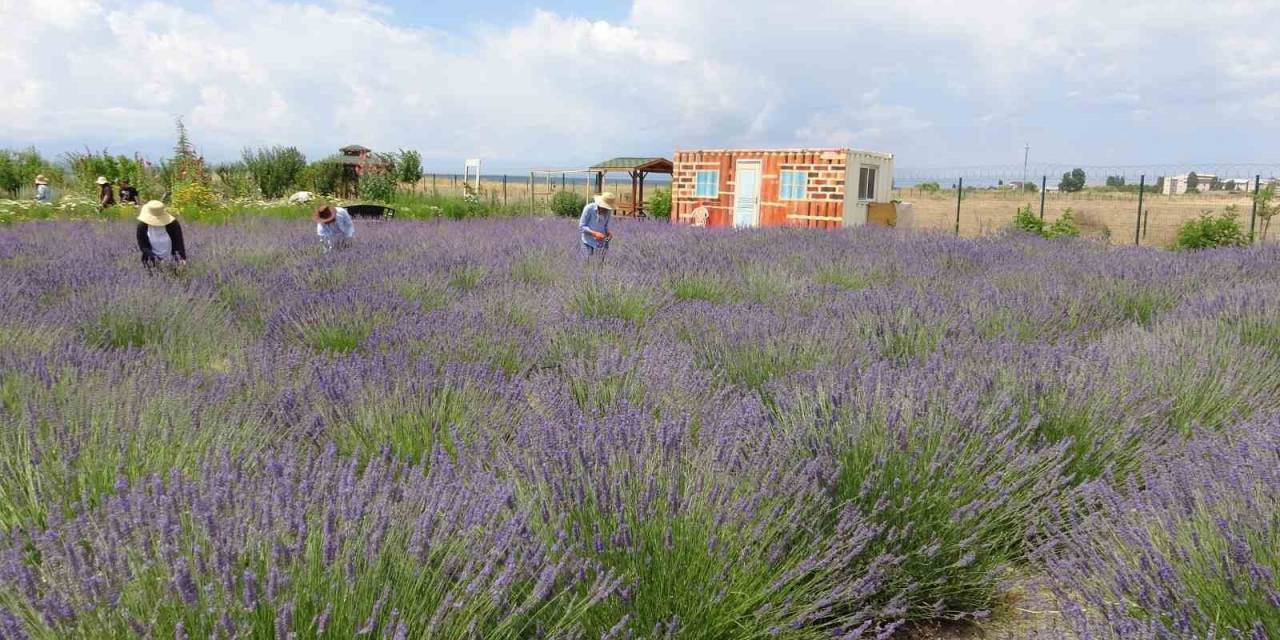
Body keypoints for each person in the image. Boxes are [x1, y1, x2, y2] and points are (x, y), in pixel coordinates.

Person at [136, 200, 187, 269]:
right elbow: (143, 247)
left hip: (172, 261)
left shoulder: (173, 224)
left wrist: (182, 258)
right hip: (151, 263)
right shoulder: (142, 226)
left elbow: (179, 242)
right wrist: (156, 259)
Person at [579, 192, 616, 259]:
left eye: (608, 208)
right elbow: (581, 227)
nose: (606, 210)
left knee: (599, 264)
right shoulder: (589, 208)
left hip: (601, 244)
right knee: (586, 264)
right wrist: (595, 234)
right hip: (588, 243)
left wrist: (608, 233)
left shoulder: (608, 211)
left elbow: (605, 225)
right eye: (605, 207)